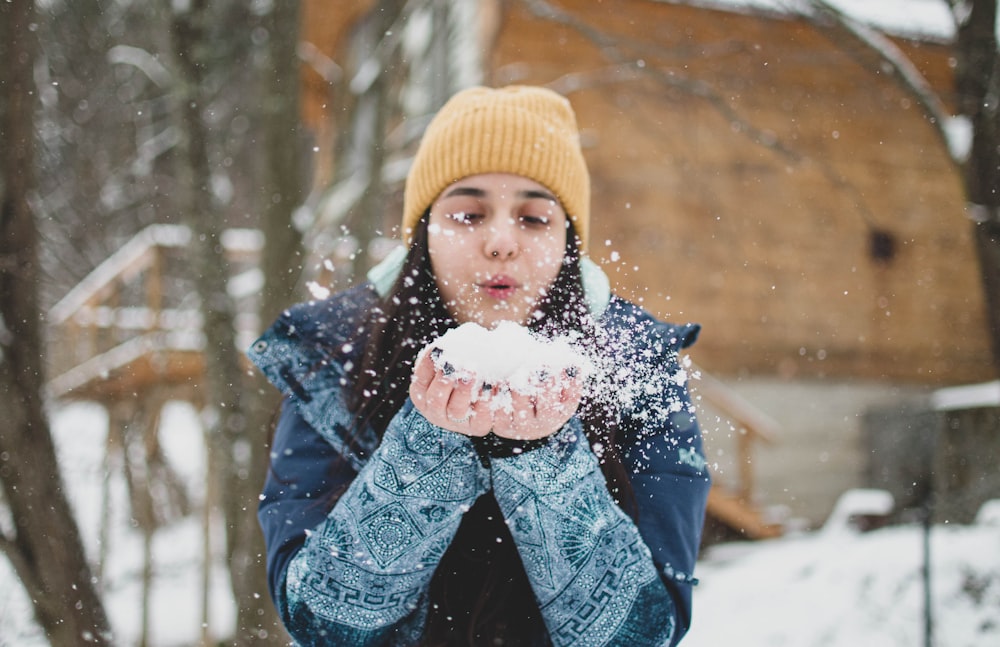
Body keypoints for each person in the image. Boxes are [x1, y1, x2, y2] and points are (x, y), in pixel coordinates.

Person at [249, 85, 711, 646]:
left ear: (570, 243)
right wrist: (426, 447)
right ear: (423, 232)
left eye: (535, 219)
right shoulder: (332, 363)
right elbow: (322, 626)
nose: (500, 243)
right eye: (468, 214)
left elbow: (645, 635)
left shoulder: (638, 374)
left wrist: (543, 460)